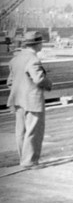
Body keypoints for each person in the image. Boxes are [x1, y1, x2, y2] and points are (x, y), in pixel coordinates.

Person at [7, 31, 52, 169]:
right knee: (34, 130)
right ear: (37, 44)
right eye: (41, 43)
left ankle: (24, 159)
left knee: (21, 131)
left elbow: (10, 82)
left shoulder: (15, 59)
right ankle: (30, 161)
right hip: (32, 101)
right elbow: (39, 79)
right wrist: (49, 84)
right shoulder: (33, 59)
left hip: (18, 100)